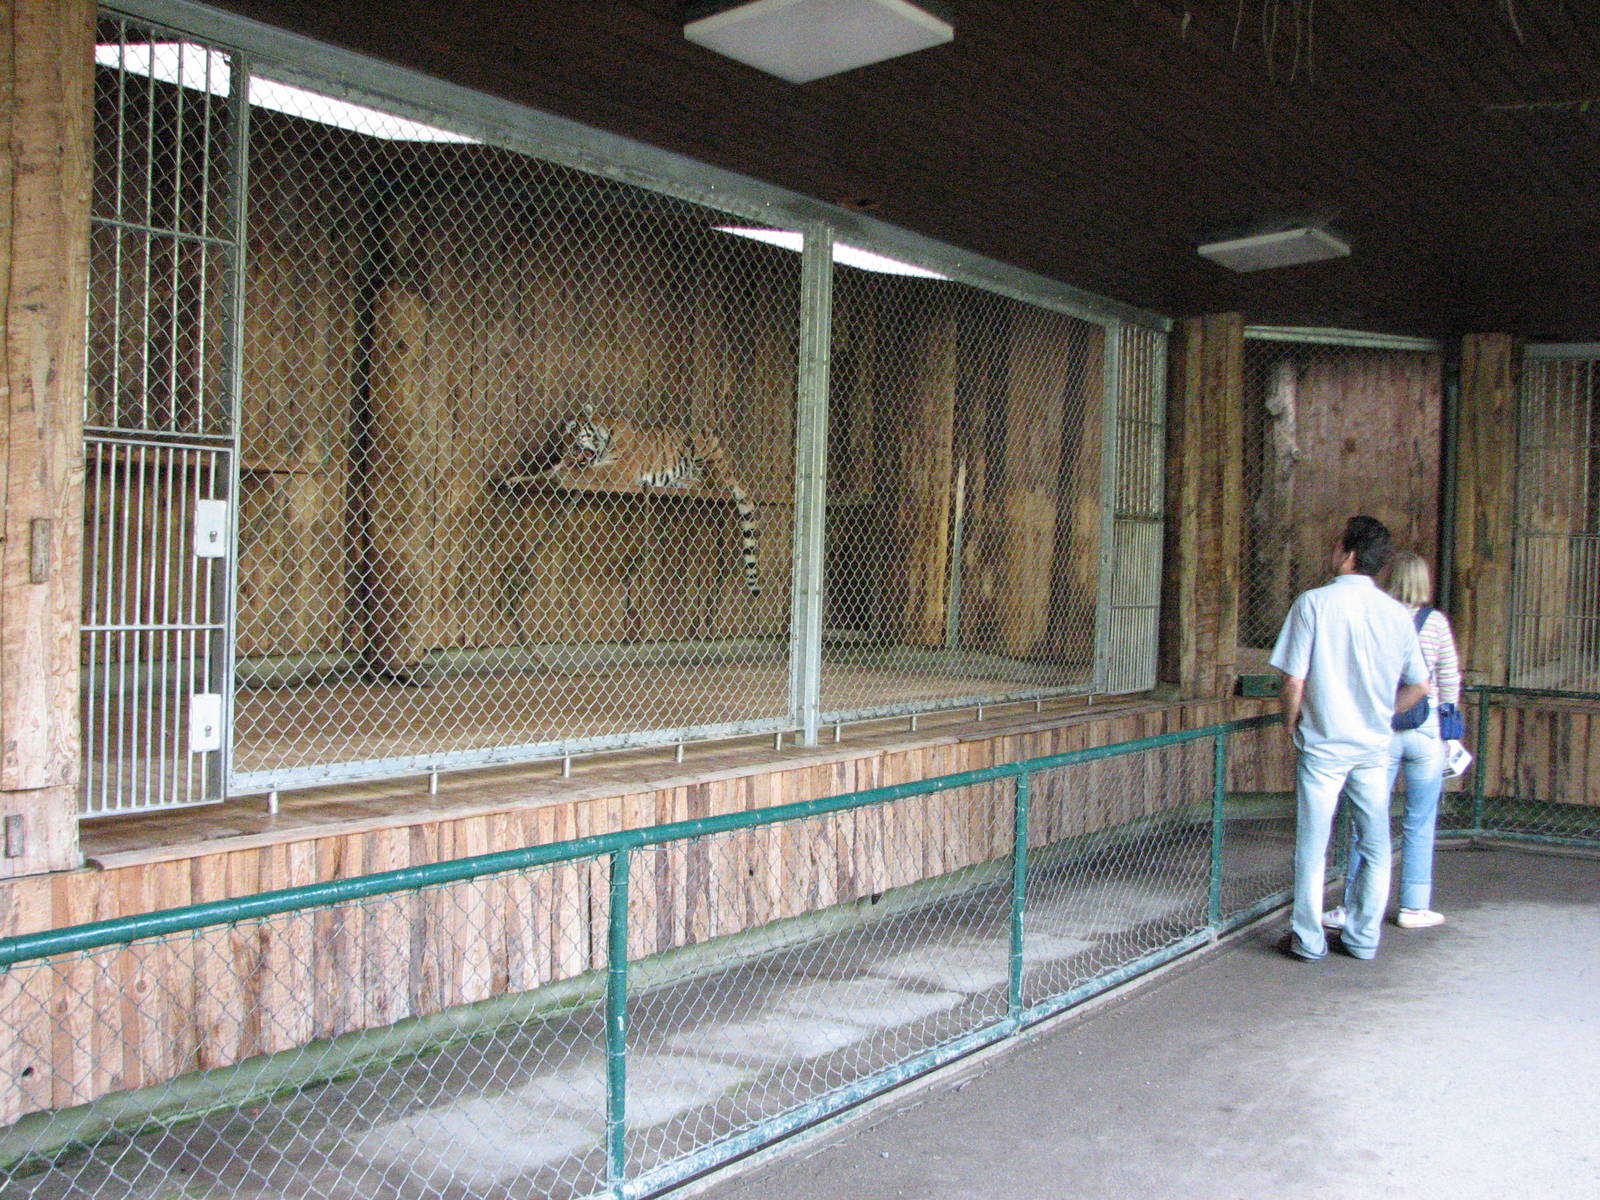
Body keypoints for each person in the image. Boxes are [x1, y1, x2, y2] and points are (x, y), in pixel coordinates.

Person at [1270, 516, 1429, 962]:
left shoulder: (1313, 604)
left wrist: (1291, 722)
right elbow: (1419, 685)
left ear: (1349, 553)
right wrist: (1382, 714)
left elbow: (1294, 679)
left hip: (1323, 746)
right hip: (1373, 748)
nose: (1333, 548)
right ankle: (1362, 938)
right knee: (1375, 844)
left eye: (1337, 542)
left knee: (1312, 845)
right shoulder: (1396, 614)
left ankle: (1308, 938)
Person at [1324, 552, 1462, 932]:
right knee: (1421, 820)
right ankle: (1414, 906)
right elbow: (1449, 679)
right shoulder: (1435, 623)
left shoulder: (1378, 616)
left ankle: (1355, 906)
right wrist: (1451, 735)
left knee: (1367, 820)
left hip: (1382, 727)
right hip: (1427, 729)